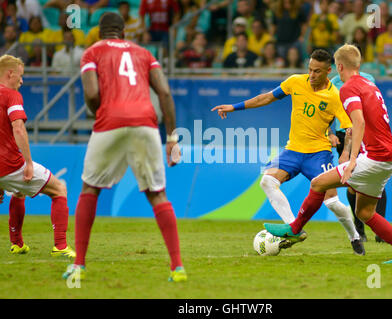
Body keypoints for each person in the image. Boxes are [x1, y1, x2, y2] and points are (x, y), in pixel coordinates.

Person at [265, 44, 392, 264]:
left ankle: (294, 229)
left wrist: (352, 158)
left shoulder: (347, 88)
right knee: (365, 213)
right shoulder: (370, 84)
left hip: (372, 157)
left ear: (338, 66)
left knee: (318, 183)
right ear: (358, 64)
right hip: (390, 157)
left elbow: (358, 122)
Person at [62, 12, 187, 282]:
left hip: (110, 122)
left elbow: (92, 93)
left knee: (90, 189)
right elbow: (164, 93)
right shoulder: (144, 53)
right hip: (145, 123)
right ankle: (177, 267)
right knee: (157, 194)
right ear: (124, 33)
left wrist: (101, 113)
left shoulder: (91, 52)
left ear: (99, 33)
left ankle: (79, 265)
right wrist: (172, 139)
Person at [212, 49, 365, 255]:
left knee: (332, 202)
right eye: (310, 69)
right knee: (267, 181)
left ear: (329, 71)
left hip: (318, 153)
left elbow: (349, 128)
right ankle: (294, 228)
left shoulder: (335, 96)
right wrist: (234, 106)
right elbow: (266, 98)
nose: (311, 75)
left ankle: (354, 236)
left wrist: (345, 152)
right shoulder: (295, 82)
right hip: (292, 150)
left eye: (317, 71)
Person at [0, 54, 75, 258]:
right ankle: (60, 246)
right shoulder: (11, 95)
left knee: (18, 191)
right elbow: (19, 128)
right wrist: (29, 163)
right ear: (10, 74)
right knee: (59, 189)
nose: (22, 81)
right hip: (9, 164)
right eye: (20, 76)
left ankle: (17, 244)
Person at [330, 68, 388, 243]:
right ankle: (359, 230)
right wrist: (329, 132)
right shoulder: (334, 82)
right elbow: (329, 109)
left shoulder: (368, 78)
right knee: (352, 183)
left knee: (377, 181)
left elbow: (372, 107)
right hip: (344, 134)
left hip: (365, 133)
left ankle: (381, 231)